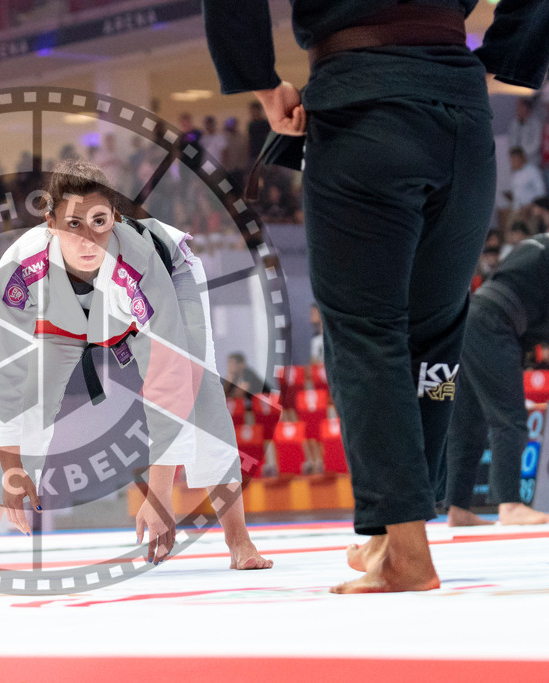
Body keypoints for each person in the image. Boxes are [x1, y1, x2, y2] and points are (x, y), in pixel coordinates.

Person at [203, 0, 549, 593]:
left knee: (367, 331)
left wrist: (261, 81)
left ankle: (407, 552)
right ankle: (394, 531)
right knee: (437, 328)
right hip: (463, 116)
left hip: (365, 105)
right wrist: (510, 54)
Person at [0, 159, 271, 582]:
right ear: (50, 224)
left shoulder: (139, 262)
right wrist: (10, 468)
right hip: (60, 319)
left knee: (201, 390)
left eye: (99, 221)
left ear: (116, 218)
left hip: (169, 281)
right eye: (73, 224)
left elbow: (169, 379)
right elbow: (1, 373)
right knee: (27, 403)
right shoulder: (22, 266)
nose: (87, 238)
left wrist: (159, 495)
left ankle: (239, 540)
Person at [445, 233, 549, 526]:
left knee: (467, 423)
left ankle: (457, 508)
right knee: (510, 418)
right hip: (494, 323)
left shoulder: (536, 243)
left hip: (471, 319)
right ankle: (510, 504)